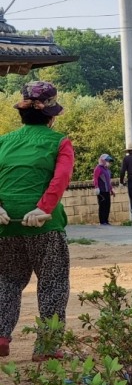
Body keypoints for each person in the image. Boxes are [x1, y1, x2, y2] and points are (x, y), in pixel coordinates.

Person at [0, 82, 75, 360]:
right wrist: (43, 208)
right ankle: (47, 346)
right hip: (44, 223)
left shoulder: (4, 141)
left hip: (5, 223)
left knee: (6, 280)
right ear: (51, 116)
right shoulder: (60, 142)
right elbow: (61, 178)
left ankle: (0, 335)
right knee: (53, 282)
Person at [93, 153, 114, 225]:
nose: (108, 162)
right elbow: (95, 178)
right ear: (103, 160)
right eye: (107, 161)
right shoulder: (98, 168)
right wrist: (96, 187)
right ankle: (102, 221)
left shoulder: (107, 170)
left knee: (108, 205)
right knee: (102, 205)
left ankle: (106, 220)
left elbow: (108, 181)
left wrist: (111, 189)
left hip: (107, 190)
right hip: (101, 191)